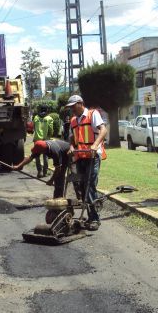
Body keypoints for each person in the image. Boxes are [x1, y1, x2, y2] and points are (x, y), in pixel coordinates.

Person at [67, 94, 107, 231]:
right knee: (82, 186)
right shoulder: (73, 120)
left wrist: (95, 145)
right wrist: (72, 147)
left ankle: (94, 219)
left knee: (90, 186)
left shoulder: (92, 114)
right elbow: (72, 138)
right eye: (70, 107)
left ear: (80, 103)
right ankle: (90, 216)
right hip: (80, 156)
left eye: (73, 106)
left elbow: (103, 129)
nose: (72, 109)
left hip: (92, 156)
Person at [32, 106, 54, 177]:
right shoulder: (49, 118)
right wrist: (49, 136)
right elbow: (51, 130)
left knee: (37, 156)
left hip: (37, 139)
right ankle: (45, 172)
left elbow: (34, 127)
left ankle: (39, 172)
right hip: (46, 140)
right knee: (46, 156)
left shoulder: (36, 117)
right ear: (47, 110)